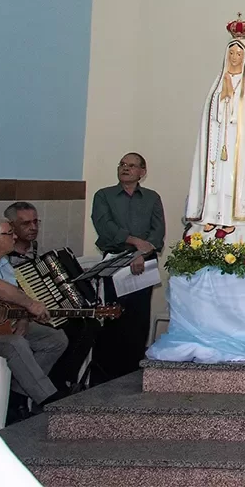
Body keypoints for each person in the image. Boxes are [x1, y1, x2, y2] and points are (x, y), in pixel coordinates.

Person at [184, 27, 245, 245]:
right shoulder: (217, 82)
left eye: (239, 54)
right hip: (217, 142)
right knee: (215, 181)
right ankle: (212, 216)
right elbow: (209, 114)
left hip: (237, 145)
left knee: (232, 183)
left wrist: (232, 111)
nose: (234, 58)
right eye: (231, 53)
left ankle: (230, 218)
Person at [5, 203, 99, 393]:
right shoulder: (5, 258)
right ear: (11, 226)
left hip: (47, 311)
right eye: (25, 223)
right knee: (65, 332)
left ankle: (63, 380)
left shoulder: (40, 252)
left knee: (89, 324)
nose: (33, 227)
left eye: (35, 222)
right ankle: (50, 386)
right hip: (23, 315)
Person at [90, 152, 165, 382]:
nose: (126, 168)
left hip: (144, 263)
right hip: (115, 261)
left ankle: (132, 373)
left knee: (138, 319)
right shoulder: (104, 195)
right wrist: (134, 245)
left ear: (142, 172)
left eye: (132, 165)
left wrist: (140, 253)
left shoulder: (151, 198)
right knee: (113, 317)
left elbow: (157, 232)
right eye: (122, 164)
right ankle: (105, 376)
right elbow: (105, 227)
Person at [0, 217, 67, 412]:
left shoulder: (4, 262)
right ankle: (49, 400)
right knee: (15, 344)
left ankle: (18, 395)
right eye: (9, 233)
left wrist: (24, 316)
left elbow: (14, 295)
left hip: (2, 323)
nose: (15, 236)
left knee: (55, 338)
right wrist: (31, 305)